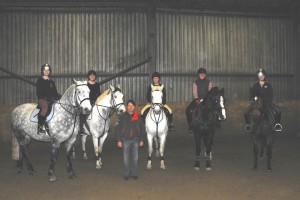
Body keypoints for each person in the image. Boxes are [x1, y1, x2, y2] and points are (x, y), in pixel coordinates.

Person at [115, 100, 145, 181]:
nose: (130, 107)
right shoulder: (122, 116)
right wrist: (119, 140)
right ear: (126, 107)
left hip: (135, 139)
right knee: (126, 159)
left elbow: (142, 128)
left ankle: (134, 173)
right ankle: (127, 174)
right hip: (125, 140)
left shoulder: (138, 117)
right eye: (129, 105)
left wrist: (142, 139)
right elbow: (118, 129)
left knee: (135, 158)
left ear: (134, 107)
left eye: (132, 105)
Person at [186, 68, 213, 133]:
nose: (202, 75)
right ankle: (191, 126)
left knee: (215, 109)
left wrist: (206, 99)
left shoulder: (209, 82)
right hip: (198, 99)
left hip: (207, 100)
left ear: (205, 74)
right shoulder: (195, 83)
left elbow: (210, 92)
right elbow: (195, 92)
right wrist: (197, 99)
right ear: (198, 75)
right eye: (200, 74)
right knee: (189, 110)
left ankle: (217, 123)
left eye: (203, 74)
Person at [36, 64, 59, 134]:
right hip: (43, 99)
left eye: (48, 70)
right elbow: (38, 92)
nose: (46, 71)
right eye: (45, 70)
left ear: (50, 71)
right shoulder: (40, 80)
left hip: (52, 100)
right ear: (42, 71)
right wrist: (45, 98)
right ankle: (40, 126)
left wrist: (58, 98)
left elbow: (55, 92)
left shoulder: (52, 82)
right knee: (45, 108)